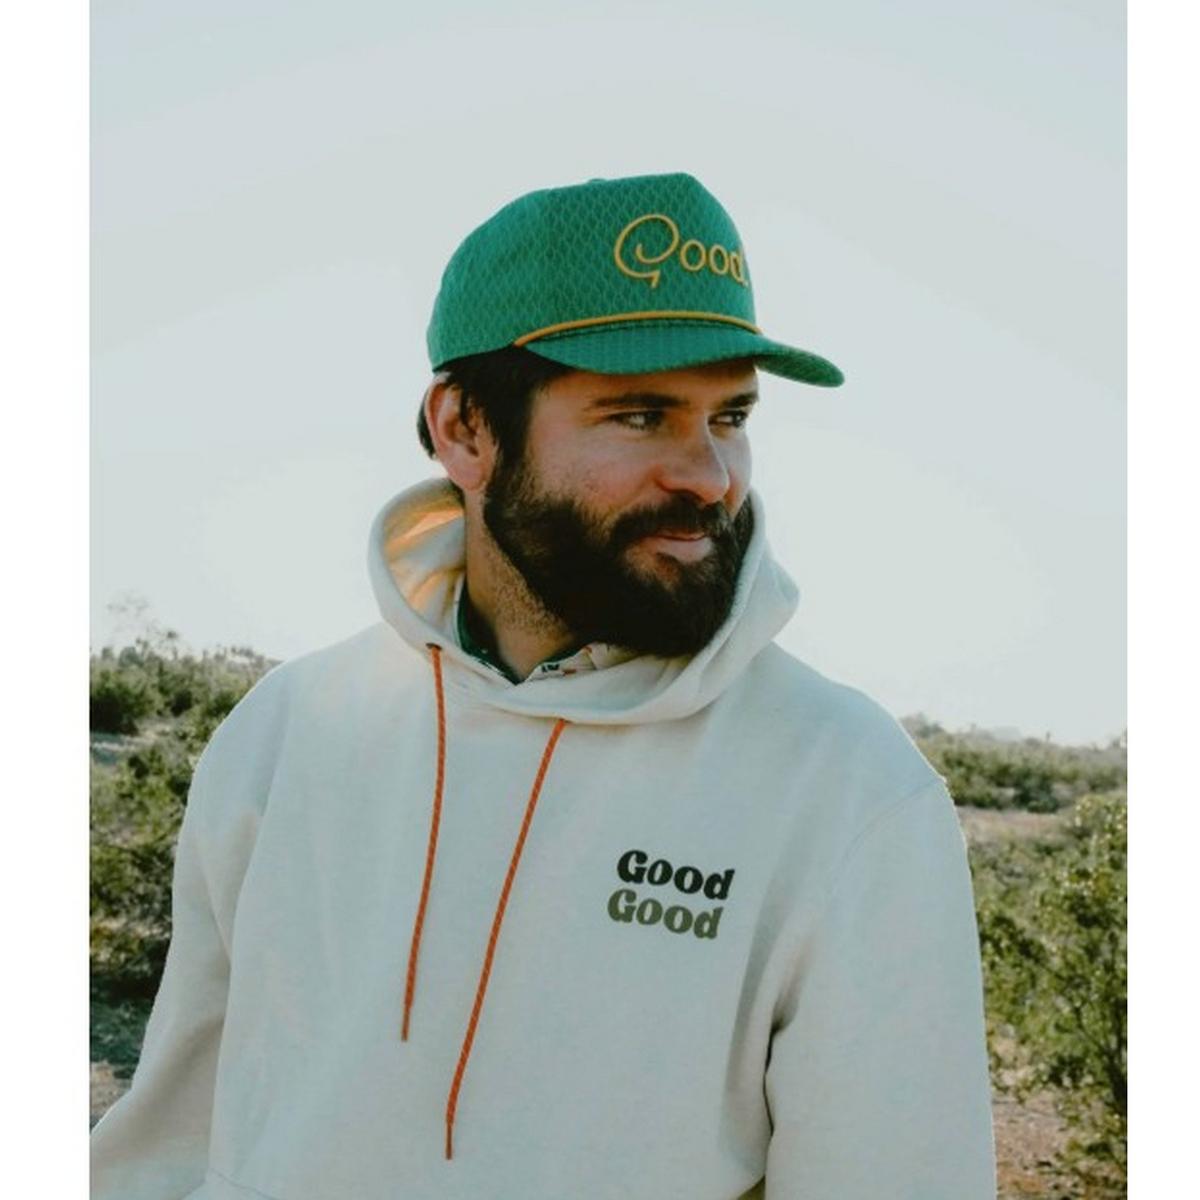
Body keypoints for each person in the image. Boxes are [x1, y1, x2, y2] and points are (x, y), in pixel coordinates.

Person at [91, 172, 997, 1199]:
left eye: (731, 415)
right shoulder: (289, 730)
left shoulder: (849, 789)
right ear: (465, 429)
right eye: (641, 415)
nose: (709, 475)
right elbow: (174, 1142)